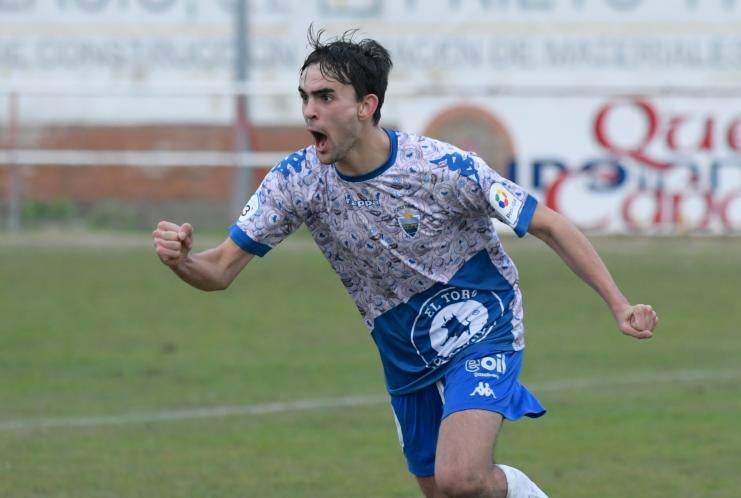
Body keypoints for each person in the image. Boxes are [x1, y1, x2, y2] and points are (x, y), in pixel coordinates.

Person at [152, 27, 658, 498]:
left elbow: (548, 223)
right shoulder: (296, 182)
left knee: (460, 477)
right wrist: (182, 259)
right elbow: (218, 270)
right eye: (305, 97)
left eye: (326, 97)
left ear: (366, 107)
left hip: (481, 320)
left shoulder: (440, 168)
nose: (310, 111)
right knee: (444, 491)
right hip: (402, 349)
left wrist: (618, 304)